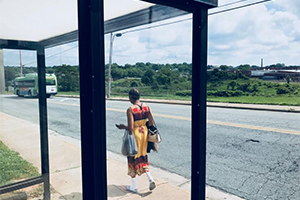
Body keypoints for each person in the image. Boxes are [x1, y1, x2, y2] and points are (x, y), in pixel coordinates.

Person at [117, 88, 156, 193]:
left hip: (135, 135)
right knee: (142, 156)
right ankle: (150, 179)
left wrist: (122, 126)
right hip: (144, 134)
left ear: (130, 97)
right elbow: (151, 122)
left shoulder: (131, 109)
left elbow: (130, 127)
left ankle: (134, 186)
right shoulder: (147, 106)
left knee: (132, 157)